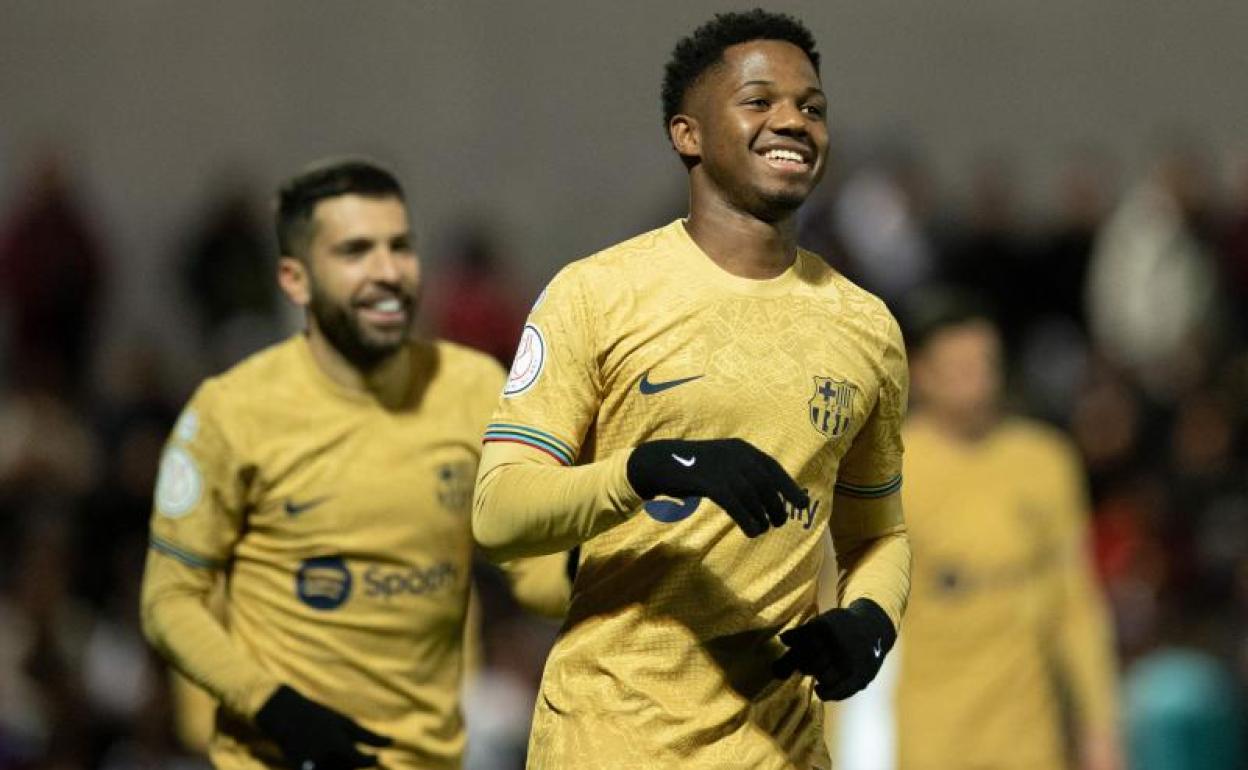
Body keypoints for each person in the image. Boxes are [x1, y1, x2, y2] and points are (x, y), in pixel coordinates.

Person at [472, 10, 911, 768]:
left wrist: (869, 620)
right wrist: (647, 469)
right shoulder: (596, 294)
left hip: (779, 747)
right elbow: (498, 509)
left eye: (812, 107)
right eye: (759, 101)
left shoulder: (866, 328)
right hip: (610, 739)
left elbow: (878, 535)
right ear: (688, 135)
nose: (793, 121)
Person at [140, 159, 570, 770]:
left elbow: (535, 570)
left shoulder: (472, 388)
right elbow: (169, 600)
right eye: (355, 251)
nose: (388, 272)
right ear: (295, 279)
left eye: (400, 247)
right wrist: (273, 706)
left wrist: (621, 544)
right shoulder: (229, 413)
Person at [836, 293, 1122, 770]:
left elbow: (1076, 603)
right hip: (933, 737)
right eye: (960, 367)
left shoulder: (1045, 461)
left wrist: (1100, 727)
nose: (979, 380)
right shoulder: (885, 472)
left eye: (986, 363)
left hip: (1031, 736)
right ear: (922, 374)